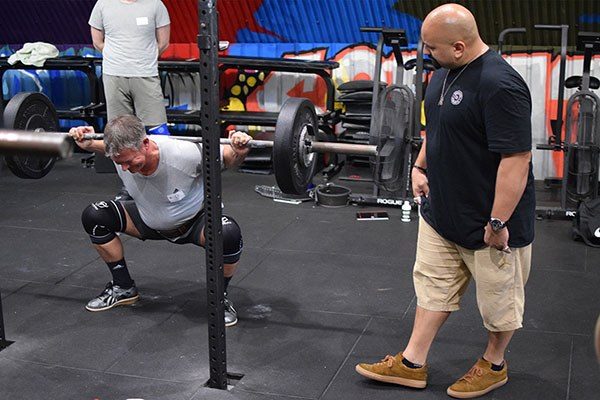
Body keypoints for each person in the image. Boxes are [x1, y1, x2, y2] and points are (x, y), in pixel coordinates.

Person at [355, 4, 535, 399]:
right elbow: (436, 129)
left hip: (490, 222)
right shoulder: (444, 73)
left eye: (432, 48)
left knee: (499, 302)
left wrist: (499, 222)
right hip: (442, 211)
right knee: (432, 286)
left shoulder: (500, 85)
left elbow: (516, 160)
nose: (426, 54)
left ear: (458, 46)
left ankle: (494, 364)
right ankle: (412, 362)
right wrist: (419, 167)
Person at [69, 115, 251, 327]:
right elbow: (106, 148)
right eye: (120, 163)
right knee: (95, 216)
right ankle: (123, 287)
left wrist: (239, 149)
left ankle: (220, 298)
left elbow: (228, 158)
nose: (125, 168)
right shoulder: (121, 154)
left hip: (193, 223)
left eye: (129, 161)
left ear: (145, 143)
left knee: (228, 234)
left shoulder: (183, 153)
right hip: (146, 219)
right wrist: (89, 142)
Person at [89, 0, 171, 200]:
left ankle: (167, 179)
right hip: (113, 74)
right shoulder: (103, 4)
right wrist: (119, 58)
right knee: (118, 134)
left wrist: (142, 59)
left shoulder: (155, 5)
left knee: (158, 129)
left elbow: (164, 43)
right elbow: (97, 42)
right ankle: (129, 187)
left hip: (145, 73)